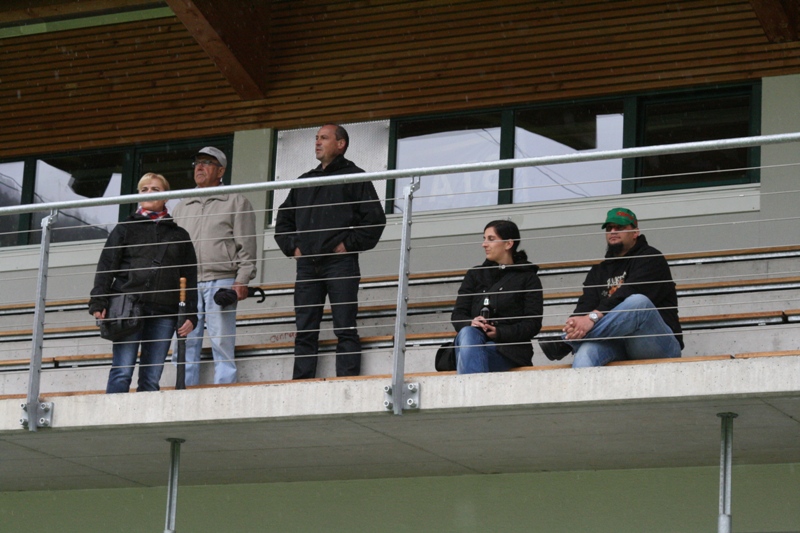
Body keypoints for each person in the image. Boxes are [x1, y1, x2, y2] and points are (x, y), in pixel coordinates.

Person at [274, 124, 386, 379]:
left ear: (340, 144)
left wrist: (348, 244)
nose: (317, 142)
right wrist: (294, 247)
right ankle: (301, 383)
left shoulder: (354, 176)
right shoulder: (304, 181)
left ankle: (346, 381)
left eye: (324, 138)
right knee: (305, 329)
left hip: (340, 263)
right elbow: (283, 221)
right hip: (307, 266)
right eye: (316, 138)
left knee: (345, 326)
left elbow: (374, 220)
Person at [89, 173, 198, 393]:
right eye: (144, 189)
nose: (149, 193)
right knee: (122, 371)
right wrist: (98, 301)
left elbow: (189, 277)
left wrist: (191, 314)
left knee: (151, 377)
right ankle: (115, 415)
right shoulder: (125, 229)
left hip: (164, 312)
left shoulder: (179, 235)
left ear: (166, 196)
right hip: (128, 307)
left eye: (155, 189)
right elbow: (106, 266)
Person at [172, 147, 257, 385]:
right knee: (186, 342)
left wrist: (242, 279)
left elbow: (247, 244)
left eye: (207, 163)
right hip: (187, 284)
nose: (200, 167)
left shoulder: (236, 201)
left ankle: (225, 391)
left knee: (222, 342)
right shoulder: (182, 206)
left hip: (222, 281)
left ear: (221, 171)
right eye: (197, 162)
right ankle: (183, 392)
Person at [557, 207, 683, 368]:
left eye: (620, 227)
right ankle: (574, 347)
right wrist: (575, 323)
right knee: (586, 351)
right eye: (609, 228)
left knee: (638, 302)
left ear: (635, 232)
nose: (613, 232)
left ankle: (567, 343)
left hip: (656, 343)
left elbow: (628, 293)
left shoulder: (651, 258)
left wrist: (591, 318)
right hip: (618, 343)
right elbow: (585, 306)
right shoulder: (599, 271)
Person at [451, 220, 543, 374]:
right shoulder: (475, 274)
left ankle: (470, 387)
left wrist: (499, 332)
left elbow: (532, 324)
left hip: (508, 351)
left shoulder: (528, 278)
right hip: (473, 342)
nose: (484, 244)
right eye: (484, 239)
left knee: (472, 353)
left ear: (508, 244)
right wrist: (472, 322)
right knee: (468, 332)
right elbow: (457, 315)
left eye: (491, 239)